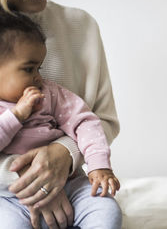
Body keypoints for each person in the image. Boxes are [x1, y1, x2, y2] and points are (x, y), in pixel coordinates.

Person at [0, 0, 121, 228]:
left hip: (72, 184)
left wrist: (64, 154)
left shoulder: (82, 26)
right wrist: (31, 181)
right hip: (6, 198)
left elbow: (99, 120)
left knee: (106, 212)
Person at [0, 12, 120, 196]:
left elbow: (86, 123)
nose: (38, 77)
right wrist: (16, 115)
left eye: (38, 68)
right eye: (29, 69)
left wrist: (98, 165)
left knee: (106, 212)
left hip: (69, 181)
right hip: (10, 196)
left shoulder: (49, 93)